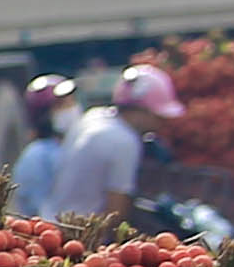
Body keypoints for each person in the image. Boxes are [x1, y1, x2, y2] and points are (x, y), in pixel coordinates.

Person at [62, 67, 161, 227]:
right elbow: (116, 211)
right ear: (141, 111)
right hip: (80, 233)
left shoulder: (93, 116)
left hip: (55, 220)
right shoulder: (124, 141)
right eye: (156, 116)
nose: (159, 124)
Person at [9, 74, 81, 221]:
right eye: (62, 105)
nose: (71, 109)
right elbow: (42, 211)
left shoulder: (72, 145)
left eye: (71, 102)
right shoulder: (37, 156)